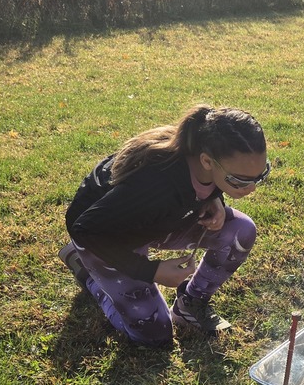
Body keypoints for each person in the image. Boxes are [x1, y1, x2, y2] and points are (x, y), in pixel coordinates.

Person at [59, 104, 269, 348]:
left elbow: (206, 185)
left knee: (240, 232)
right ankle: (86, 271)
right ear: (207, 161)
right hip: (105, 236)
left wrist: (215, 198)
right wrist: (151, 271)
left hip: (158, 220)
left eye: (259, 176)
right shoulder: (154, 184)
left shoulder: (206, 155)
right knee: (154, 335)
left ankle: (189, 306)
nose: (252, 188)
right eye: (240, 180)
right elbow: (85, 229)